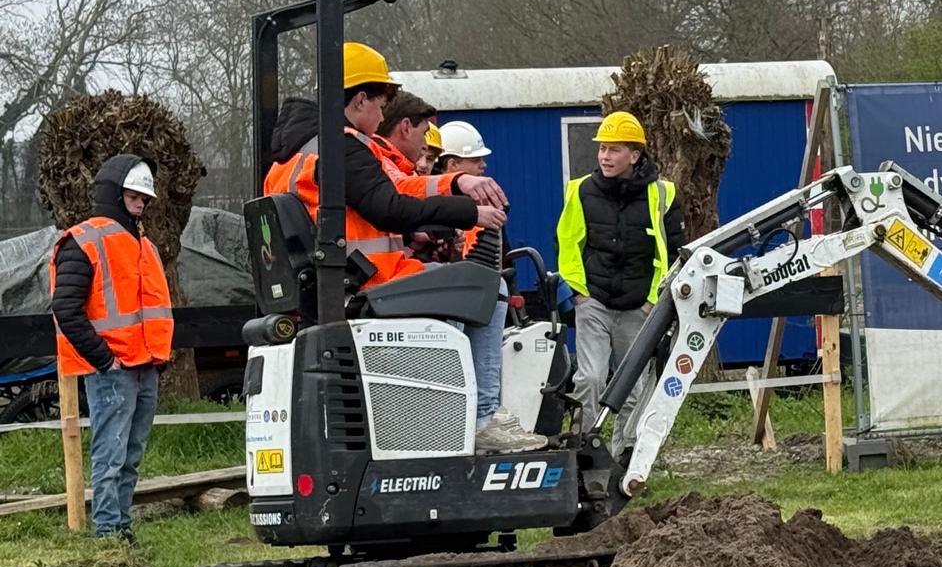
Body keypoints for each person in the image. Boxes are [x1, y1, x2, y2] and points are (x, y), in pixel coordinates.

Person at [263, 44, 532, 454]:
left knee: (463, 289)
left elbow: (386, 192)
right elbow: (388, 206)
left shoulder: (291, 158)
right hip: (371, 280)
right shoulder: (342, 145)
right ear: (360, 100)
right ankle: (479, 418)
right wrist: (468, 212)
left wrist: (450, 188)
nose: (382, 116)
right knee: (487, 288)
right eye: (381, 104)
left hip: (332, 285)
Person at [49, 156, 172, 543]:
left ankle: (120, 529)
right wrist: (105, 359)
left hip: (144, 364)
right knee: (112, 454)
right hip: (115, 368)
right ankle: (108, 532)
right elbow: (65, 308)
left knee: (129, 455)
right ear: (116, 194)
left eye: (144, 197)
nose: (141, 203)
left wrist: (155, 359)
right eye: (135, 196)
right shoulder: (84, 240)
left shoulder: (144, 245)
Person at [555, 111, 685, 459]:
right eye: (602, 149)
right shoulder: (581, 191)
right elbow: (567, 245)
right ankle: (582, 454)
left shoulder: (663, 194)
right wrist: (580, 293)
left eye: (614, 150)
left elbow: (675, 253)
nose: (604, 156)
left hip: (639, 305)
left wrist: (652, 301)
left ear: (635, 155)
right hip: (594, 301)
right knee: (590, 379)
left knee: (634, 386)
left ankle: (626, 457)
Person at [434, 119, 544, 450]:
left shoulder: (481, 207)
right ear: (453, 165)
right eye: (475, 159)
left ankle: (485, 415)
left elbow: (500, 259)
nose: (483, 165)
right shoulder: (444, 205)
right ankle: (477, 418)